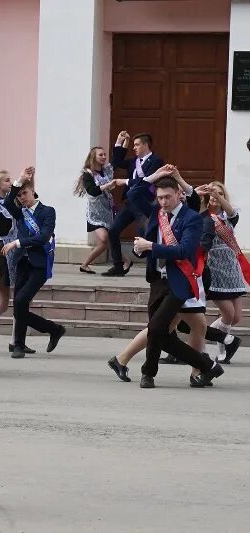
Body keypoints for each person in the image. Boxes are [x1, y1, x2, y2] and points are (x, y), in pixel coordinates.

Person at [130, 175, 224, 388]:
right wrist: (151, 177)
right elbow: (133, 194)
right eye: (160, 198)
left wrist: (150, 247)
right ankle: (207, 365)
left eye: (167, 197)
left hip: (179, 281)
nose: (163, 202)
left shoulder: (192, 218)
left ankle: (148, 373)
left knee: (155, 327)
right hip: (157, 280)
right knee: (158, 331)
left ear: (179, 195)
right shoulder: (157, 212)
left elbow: (184, 250)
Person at [1, 168, 66, 359]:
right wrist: (19, 181)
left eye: (24, 193)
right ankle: (21, 344)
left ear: (33, 192)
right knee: (20, 305)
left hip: (39, 264)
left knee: (21, 301)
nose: (21, 197)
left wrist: (17, 242)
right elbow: (6, 202)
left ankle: (53, 329)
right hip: (22, 262)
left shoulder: (47, 211)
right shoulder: (20, 213)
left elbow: (43, 237)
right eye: (19, 194)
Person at [0, 170, 37, 355]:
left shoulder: (10, 201)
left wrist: (29, 178)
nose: (10, 182)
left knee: (21, 300)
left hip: (17, 253)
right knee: (1, 303)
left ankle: (16, 340)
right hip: (2, 255)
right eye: (6, 180)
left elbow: (29, 194)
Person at [196, 181, 247, 364]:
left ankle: (207, 333)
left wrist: (218, 196)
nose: (215, 196)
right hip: (215, 270)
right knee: (228, 314)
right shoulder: (203, 217)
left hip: (232, 270)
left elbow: (232, 212)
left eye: (219, 194)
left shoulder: (228, 217)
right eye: (212, 194)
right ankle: (222, 347)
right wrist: (201, 196)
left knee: (236, 317)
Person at [103, 131, 164, 277]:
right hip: (130, 203)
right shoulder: (133, 162)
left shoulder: (156, 161)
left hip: (144, 203)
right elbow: (116, 162)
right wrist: (119, 142)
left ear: (145, 145)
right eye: (133, 145)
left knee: (146, 234)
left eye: (137, 145)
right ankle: (118, 265)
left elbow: (147, 180)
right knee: (113, 230)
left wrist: (125, 181)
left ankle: (151, 269)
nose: (134, 148)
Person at [74, 146, 125, 274]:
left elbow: (117, 160)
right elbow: (93, 191)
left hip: (107, 210)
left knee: (109, 239)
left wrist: (121, 142)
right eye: (100, 155)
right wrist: (107, 185)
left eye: (104, 155)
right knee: (104, 239)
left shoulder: (106, 170)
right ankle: (85, 264)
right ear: (93, 157)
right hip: (95, 213)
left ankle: (85, 265)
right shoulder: (88, 174)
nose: (103, 157)